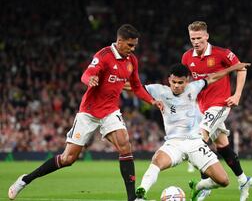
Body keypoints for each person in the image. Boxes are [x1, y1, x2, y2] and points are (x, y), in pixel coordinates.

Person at [8, 24, 164, 201]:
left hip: (110, 110)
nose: (133, 49)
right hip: (89, 112)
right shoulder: (103, 55)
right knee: (68, 158)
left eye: (135, 45)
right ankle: (25, 180)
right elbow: (87, 73)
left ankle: (132, 199)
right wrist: (90, 79)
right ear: (119, 41)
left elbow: (136, 86)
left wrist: (152, 101)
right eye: (130, 45)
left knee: (125, 145)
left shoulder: (132, 61)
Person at [134, 63, 250, 201]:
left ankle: (199, 186)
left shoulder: (194, 87)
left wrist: (233, 68)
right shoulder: (158, 90)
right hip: (174, 143)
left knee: (223, 181)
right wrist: (106, 83)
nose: (176, 85)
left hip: (195, 142)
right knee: (157, 161)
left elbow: (213, 77)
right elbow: (134, 87)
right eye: (173, 82)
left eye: (180, 82)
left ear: (187, 81)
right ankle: (141, 194)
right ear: (169, 80)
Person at [181, 21, 252, 201]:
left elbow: (241, 68)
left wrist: (237, 95)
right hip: (201, 107)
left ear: (206, 36)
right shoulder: (187, 57)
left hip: (220, 104)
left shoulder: (222, 53)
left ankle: (205, 182)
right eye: (192, 38)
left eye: (199, 38)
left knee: (198, 140)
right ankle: (244, 180)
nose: (195, 42)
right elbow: (188, 82)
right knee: (222, 146)